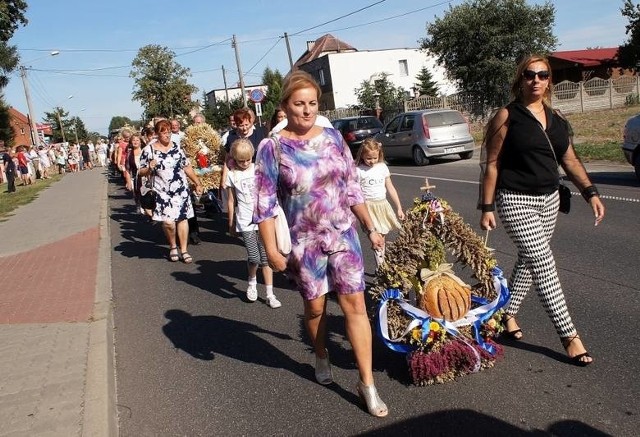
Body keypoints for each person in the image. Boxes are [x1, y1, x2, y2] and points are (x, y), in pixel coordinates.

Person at [253, 70, 388, 417]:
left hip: (343, 234)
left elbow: (352, 187)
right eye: (299, 104)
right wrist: (269, 250)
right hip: (305, 242)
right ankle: (321, 352)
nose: (307, 110)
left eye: (312, 103)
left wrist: (370, 226)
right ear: (285, 106)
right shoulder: (272, 147)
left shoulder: (332, 138)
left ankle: (367, 383)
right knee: (315, 309)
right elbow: (264, 203)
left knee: (355, 306)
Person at [478, 55, 605, 367]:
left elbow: (570, 159)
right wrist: (487, 206)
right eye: (529, 74)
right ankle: (569, 335)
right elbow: (491, 163)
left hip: (549, 200)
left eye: (543, 75)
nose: (536, 80)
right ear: (520, 80)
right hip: (515, 200)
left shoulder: (557, 117)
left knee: (528, 261)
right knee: (544, 263)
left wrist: (590, 192)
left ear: (549, 80)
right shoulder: (507, 116)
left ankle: (507, 315)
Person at [138, 119, 203, 263]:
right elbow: (141, 172)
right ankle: (173, 245)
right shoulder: (149, 150)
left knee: (182, 218)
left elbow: (186, 166)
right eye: (163, 133)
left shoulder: (177, 148)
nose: (167, 135)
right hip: (162, 191)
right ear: (156, 134)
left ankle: (184, 249)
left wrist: (197, 182)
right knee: (168, 222)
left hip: (180, 190)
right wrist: (149, 167)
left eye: (169, 133)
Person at [226, 138, 281, 308]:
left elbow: (271, 191)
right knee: (254, 256)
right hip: (245, 220)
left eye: (248, 159)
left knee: (266, 258)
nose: (245, 163)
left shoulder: (259, 170)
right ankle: (252, 282)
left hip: (263, 218)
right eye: (241, 161)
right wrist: (231, 223)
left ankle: (270, 293)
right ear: (234, 159)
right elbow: (230, 201)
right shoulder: (232, 174)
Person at [355, 137, 405, 269]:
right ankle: (382, 269)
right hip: (369, 208)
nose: (372, 161)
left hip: (382, 205)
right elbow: (355, 192)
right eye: (368, 158)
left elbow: (391, 188)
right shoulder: (359, 171)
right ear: (362, 156)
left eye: (375, 158)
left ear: (379, 155)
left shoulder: (382, 167)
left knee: (382, 237)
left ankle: (382, 266)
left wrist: (399, 207)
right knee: (378, 238)